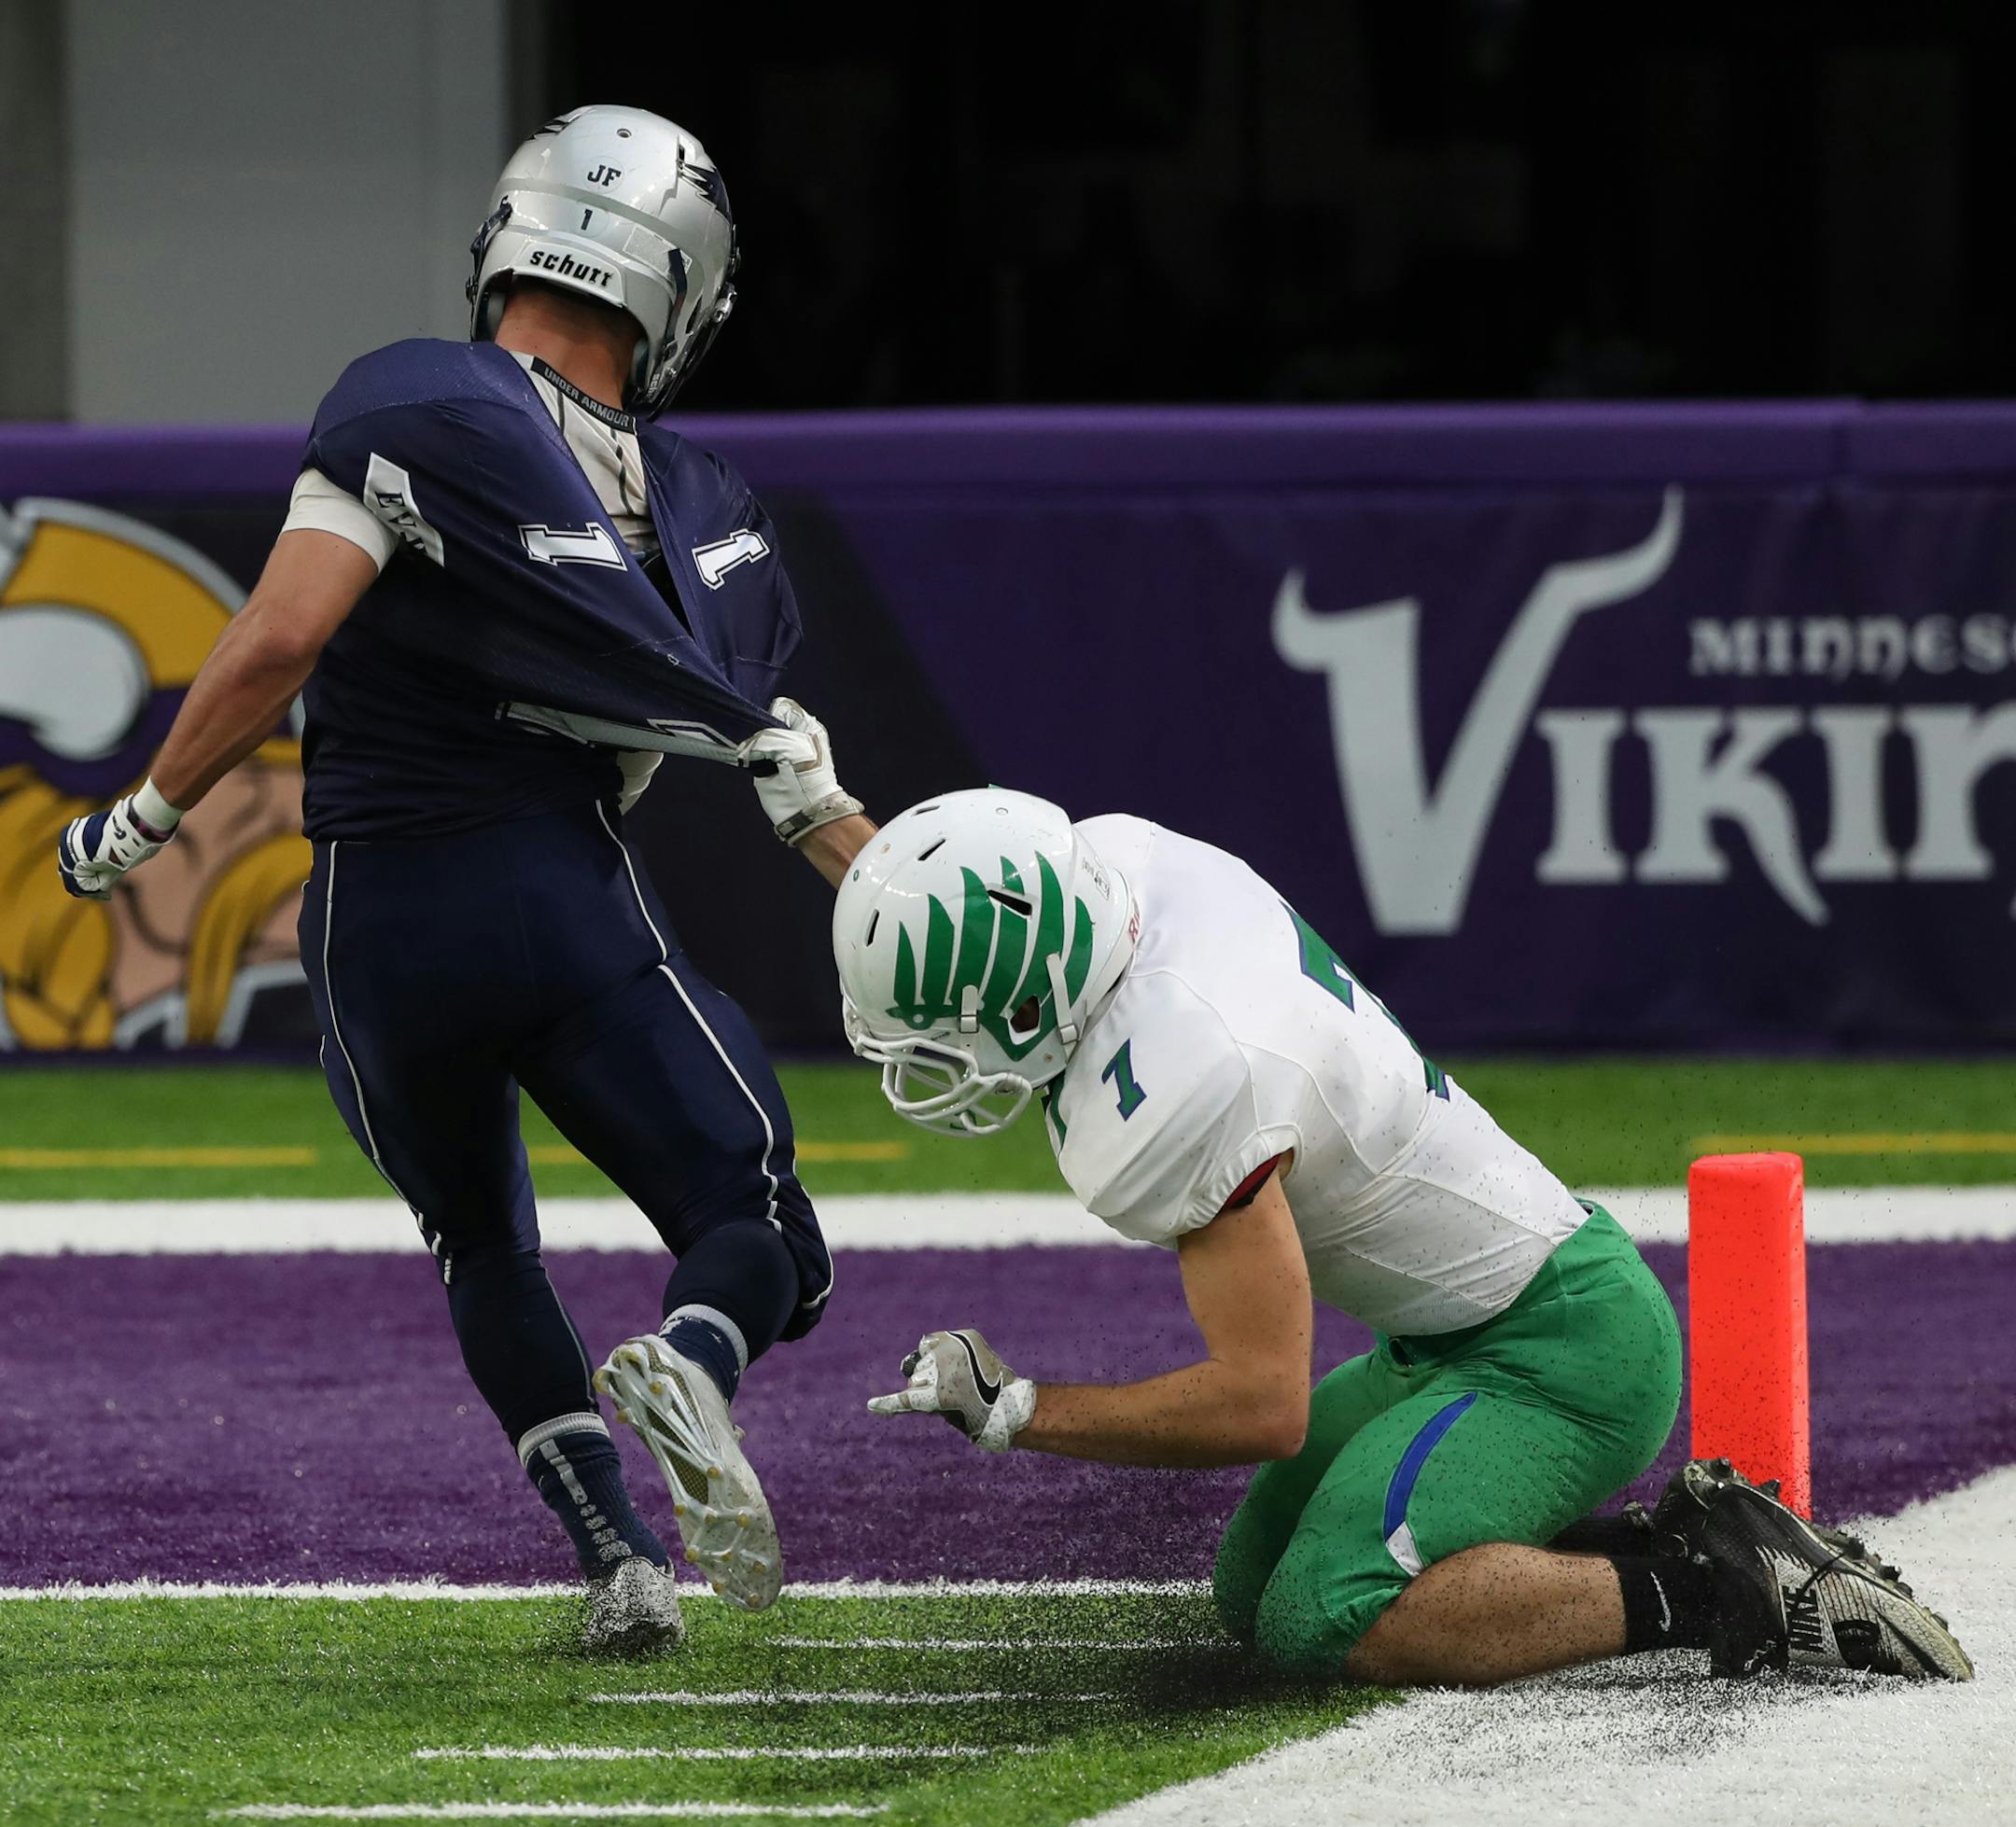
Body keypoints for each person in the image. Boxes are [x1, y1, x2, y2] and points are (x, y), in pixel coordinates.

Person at [54, 105, 875, 1655]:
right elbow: (786, 772)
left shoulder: (411, 393)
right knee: (754, 1215)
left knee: (484, 1241)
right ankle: (693, 1364)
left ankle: (619, 1561)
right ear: (677, 288)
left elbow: (287, 632)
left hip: (378, 919)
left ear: (514, 236)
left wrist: (151, 812)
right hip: (556, 891)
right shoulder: (701, 508)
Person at [823, 786, 1972, 1685]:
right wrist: (824, 820)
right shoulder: (1119, 879)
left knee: (1328, 1615)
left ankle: (1723, 1588)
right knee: (1256, 1586)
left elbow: (1261, 1405)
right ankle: (1696, 1540)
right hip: (1459, 1339)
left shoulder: (1190, 1084)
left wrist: (1020, 1411)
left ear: (1035, 999)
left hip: (1561, 1356)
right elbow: (978, 914)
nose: (937, 1059)